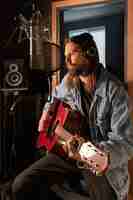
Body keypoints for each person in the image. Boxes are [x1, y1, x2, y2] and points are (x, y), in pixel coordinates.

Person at [11, 33, 133, 200]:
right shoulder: (69, 82)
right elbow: (54, 98)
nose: (67, 59)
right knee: (20, 185)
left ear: (90, 54)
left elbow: (125, 144)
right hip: (67, 155)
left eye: (72, 53)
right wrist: (46, 117)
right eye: (66, 55)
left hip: (98, 163)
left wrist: (93, 152)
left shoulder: (116, 92)